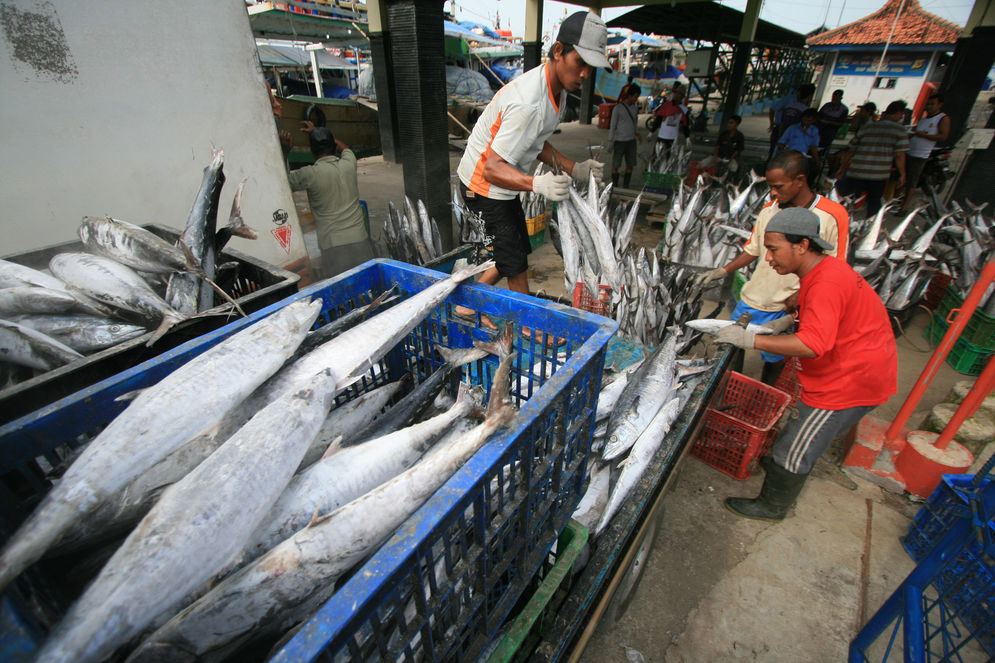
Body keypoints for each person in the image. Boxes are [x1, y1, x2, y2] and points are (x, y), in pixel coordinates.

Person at [715, 207, 897, 521]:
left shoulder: (826, 283)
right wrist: (789, 319)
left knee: (796, 446)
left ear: (801, 246)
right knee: (797, 435)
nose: (768, 258)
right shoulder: (824, 271)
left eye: (773, 249)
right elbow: (825, 318)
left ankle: (773, 506)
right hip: (855, 366)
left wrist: (750, 340)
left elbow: (813, 344)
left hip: (849, 382)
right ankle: (777, 471)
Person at [453, 10, 609, 341]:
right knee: (516, 262)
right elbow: (493, 169)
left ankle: (468, 306)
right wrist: (537, 183)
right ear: (557, 52)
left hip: (499, 184)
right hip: (483, 186)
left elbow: (537, 143)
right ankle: (527, 325)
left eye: (589, 68)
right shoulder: (529, 102)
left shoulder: (558, 93)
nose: (583, 73)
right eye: (579, 62)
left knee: (513, 250)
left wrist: (573, 167)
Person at [696, 150, 849, 385]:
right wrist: (722, 271)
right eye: (770, 187)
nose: (773, 193)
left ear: (799, 180)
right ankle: (727, 386)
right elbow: (753, 248)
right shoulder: (769, 209)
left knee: (775, 358)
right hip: (753, 296)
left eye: (779, 186)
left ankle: (765, 392)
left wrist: (800, 297)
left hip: (785, 305)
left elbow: (834, 267)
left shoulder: (833, 215)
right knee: (732, 348)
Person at [285, 124, 374, 278]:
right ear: (334, 146)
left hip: (333, 247)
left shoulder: (309, 174)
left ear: (312, 151)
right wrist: (317, 131)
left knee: (343, 292)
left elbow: (282, 182)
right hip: (360, 240)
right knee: (370, 284)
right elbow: (345, 148)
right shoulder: (348, 163)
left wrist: (285, 151)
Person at [835, 100, 909, 217]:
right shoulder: (900, 130)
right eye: (901, 114)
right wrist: (902, 174)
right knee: (874, 204)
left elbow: (851, 150)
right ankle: (868, 230)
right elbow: (900, 155)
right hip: (878, 175)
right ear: (899, 113)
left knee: (848, 200)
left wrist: (842, 168)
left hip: (857, 171)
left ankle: (840, 223)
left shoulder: (867, 127)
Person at [902, 93, 950, 211]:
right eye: (928, 104)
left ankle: (904, 207)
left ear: (940, 105)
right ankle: (898, 201)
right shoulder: (924, 119)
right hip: (909, 151)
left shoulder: (943, 118)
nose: (929, 106)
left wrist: (923, 135)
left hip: (920, 154)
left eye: (932, 104)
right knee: (902, 178)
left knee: (911, 181)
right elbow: (915, 132)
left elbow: (943, 136)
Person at [608, 84, 643, 188]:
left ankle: (626, 186)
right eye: (635, 97)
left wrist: (637, 133)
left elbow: (635, 122)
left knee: (630, 164)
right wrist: (610, 141)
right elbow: (613, 125)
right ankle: (614, 186)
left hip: (631, 141)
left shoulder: (634, 108)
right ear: (630, 95)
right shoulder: (618, 108)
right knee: (615, 165)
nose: (636, 99)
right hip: (620, 141)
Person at [777, 108, 822, 184]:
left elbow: (813, 147)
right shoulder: (792, 128)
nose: (806, 122)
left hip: (804, 155)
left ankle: (807, 186)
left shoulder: (814, 130)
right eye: (805, 120)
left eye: (809, 121)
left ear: (813, 121)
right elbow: (781, 142)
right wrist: (784, 151)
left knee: (814, 169)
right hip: (790, 153)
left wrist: (817, 160)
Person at [654, 84, 689, 159]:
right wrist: (652, 131)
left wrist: (687, 137)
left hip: (673, 138)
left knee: (669, 158)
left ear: (683, 97)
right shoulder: (666, 105)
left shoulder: (683, 109)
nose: (678, 96)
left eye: (680, 95)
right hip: (662, 137)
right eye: (677, 94)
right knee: (656, 157)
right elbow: (659, 118)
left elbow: (685, 124)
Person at [816, 89, 849, 155]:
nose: (834, 99)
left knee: (824, 149)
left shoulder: (843, 109)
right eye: (833, 97)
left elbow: (840, 123)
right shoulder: (826, 106)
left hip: (830, 132)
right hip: (819, 131)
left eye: (837, 98)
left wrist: (827, 122)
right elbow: (818, 116)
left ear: (841, 98)